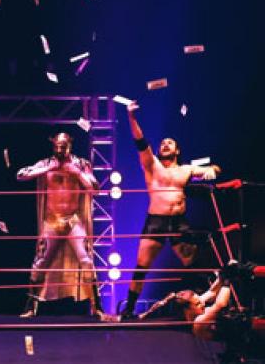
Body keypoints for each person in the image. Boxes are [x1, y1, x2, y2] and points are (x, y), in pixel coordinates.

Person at [121, 101, 222, 318]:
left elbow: (212, 169)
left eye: (170, 143)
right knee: (141, 266)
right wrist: (131, 117)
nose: (166, 144)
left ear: (177, 150)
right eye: (163, 143)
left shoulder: (186, 169)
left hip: (179, 222)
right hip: (156, 221)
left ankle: (207, 303)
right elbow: (139, 141)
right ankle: (128, 310)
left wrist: (212, 170)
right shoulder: (152, 164)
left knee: (194, 262)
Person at [16, 132, 103, 318]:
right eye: (57, 145)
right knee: (40, 263)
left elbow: (95, 189)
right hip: (52, 220)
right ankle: (30, 307)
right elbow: (20, 175)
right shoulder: (46, 164)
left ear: (70, 145)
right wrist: (45, 170)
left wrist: (77, 173)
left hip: (73, 219)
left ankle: (98, 308)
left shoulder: (81, 164)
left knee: (87, 261)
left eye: (63, 145)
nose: (60, 149)